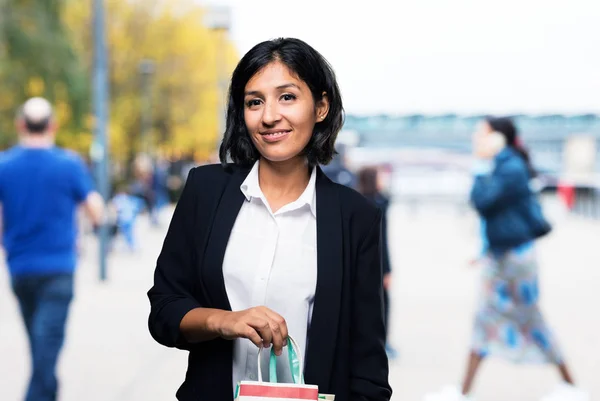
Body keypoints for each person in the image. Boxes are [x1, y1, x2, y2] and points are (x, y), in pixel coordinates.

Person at [147, 38, 392, 401]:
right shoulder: (205, 190)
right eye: (254, 101)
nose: (269, 116)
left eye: (287, 97)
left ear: (321, 107)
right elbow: (164, 310)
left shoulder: (356, 217)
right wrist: (224, 321)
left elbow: (368, 368)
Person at [424, 117, 588, 401]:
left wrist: (479, 166)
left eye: (482, 134)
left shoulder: (510, 167)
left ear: (498, 138)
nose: (477, 139)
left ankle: (571, 386)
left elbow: (483, 201)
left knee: (529, 319)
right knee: (488, 320)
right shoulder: (503, 165)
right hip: (503, 257)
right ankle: (463, 391)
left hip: (514, 260)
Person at [0, 97, 104, 401]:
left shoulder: (4, 165)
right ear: (53, 126)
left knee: (40, 347)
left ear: (21, 125)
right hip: (58, 269)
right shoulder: (69, 164)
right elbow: (96, 209)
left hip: (20, 269)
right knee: (45, 351)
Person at [357, 166, 397, 359]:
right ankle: (381, 344)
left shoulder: (361, 201)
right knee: (381, 305)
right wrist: (386, 270)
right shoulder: (376, 205)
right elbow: (381, 241)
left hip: (364, 263)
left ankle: (377, 343)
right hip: (376, 264)